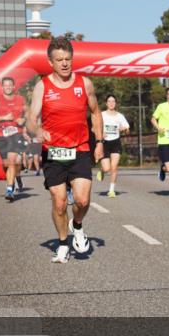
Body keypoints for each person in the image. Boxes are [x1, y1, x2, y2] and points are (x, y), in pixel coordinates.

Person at [26, 37, 104, 264]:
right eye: (59, 60)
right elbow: (31, 118)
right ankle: (62, 244)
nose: (64, 64)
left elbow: (96, 112)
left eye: (68, 59)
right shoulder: (43, 86)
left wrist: (99, 142)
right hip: (53, 151)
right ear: (50, 62)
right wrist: (37, 130)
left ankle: (77, 226)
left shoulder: (84, 84)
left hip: (80, 148)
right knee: (59, 202)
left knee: (82, 201)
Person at [0, 76, 27, 201]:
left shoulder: (21, 99)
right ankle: (16, 177)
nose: (8, 87)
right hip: (1, 136)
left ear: (14, 87)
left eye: (10, 85)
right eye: (6, 85)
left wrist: (23, 119)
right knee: (6, 164)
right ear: (2, 87)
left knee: (11, 161)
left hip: (16, 134)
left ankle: (9, 189)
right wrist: (3, 117)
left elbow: (28, 114)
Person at [98, 94, 130, 197]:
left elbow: (127, 129)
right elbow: (94, 128)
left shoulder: (120, 116)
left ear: (115, 103)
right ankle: (102, 170)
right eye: (109, 101)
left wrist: (124, 129)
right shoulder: (101, 115)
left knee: (114, 167)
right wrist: (100, 133)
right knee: (107, 168)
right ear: (106, 103)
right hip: (104, 143)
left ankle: (111, 190)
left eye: (113, 101)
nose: (111, 103)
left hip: (116, 142)